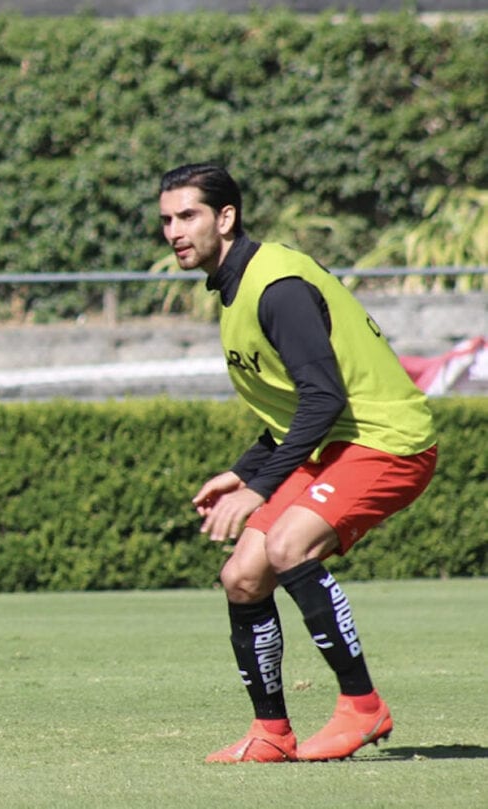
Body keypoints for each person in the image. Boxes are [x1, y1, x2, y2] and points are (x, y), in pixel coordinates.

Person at [158, 163, 437, 763]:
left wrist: (259, 488)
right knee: (242, 577)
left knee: (287, 549)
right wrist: (244, 469)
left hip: (387, 441)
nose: (174, 231)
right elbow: (295, 406)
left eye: (188, 216)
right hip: (333, 444)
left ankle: (362, 706)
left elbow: (326, 397)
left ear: (225, 217)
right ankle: (272, 733)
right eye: (166, 220)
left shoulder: (276, 285)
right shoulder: (238, 288)